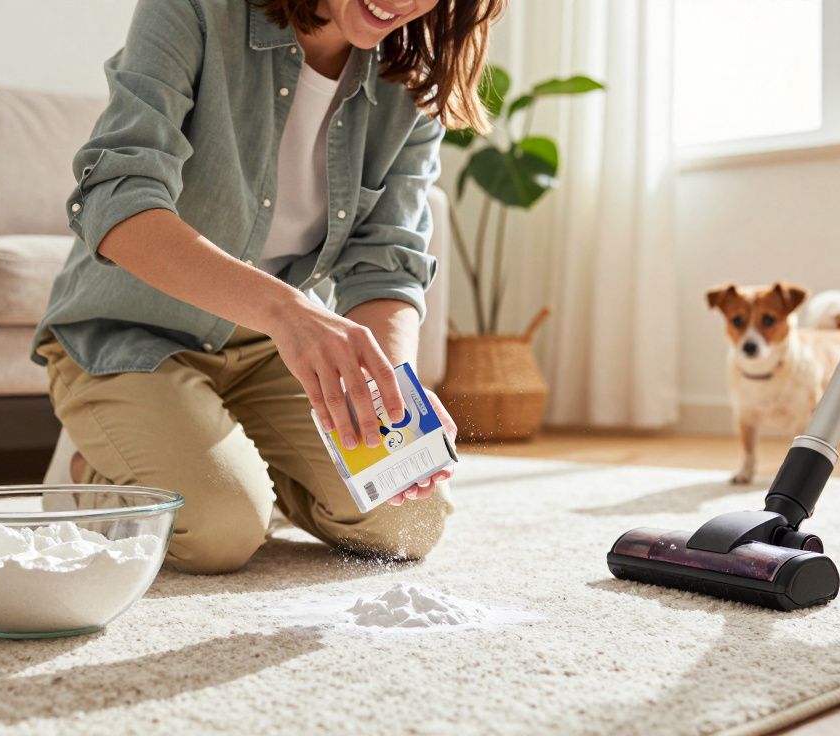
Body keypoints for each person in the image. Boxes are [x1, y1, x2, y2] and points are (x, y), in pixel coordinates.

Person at [32, 0, 503, 574]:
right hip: (130, 334)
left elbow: (386, 258)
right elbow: (116, 195)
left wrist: (388, 389)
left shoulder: (409, 74)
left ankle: (235, 466)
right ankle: (91, 472)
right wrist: (286, 312)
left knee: (410, 520)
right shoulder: (197, 10)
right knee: (217, 533)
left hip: (271, 352)